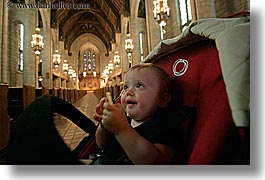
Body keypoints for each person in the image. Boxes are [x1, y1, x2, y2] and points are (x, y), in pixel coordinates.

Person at [92, 63, 184, 165]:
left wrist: (121, 130)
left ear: (162, 99)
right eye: (126, 87)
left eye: (139, 85)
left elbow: (154, 162)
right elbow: (101, 144)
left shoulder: (165, 127)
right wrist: (104, 126)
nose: (128, 92)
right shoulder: (124, 119)